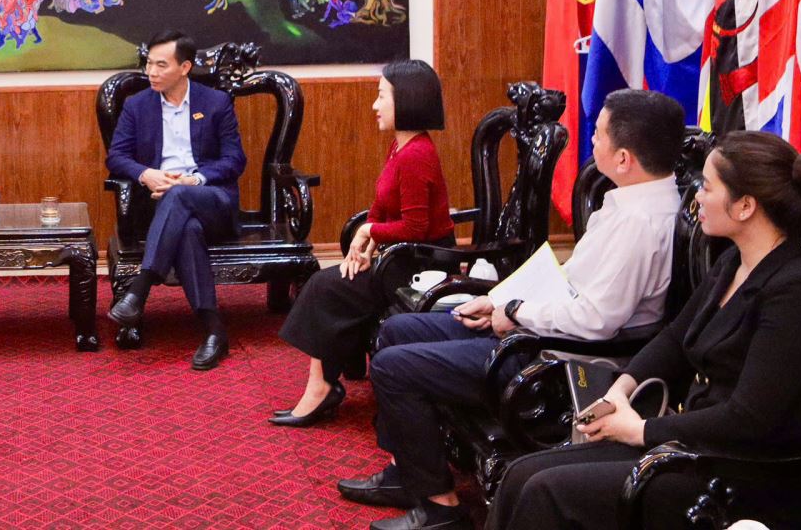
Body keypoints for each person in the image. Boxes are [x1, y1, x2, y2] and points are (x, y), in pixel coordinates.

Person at [340, 88, 688, 530]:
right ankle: (405, 473)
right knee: (398, 330)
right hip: (538, 329)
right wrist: (498, 302)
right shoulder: (632, 201)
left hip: (557, 359)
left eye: (598, 134)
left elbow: (594, 321)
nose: (591, 140)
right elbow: (569, 278)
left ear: (624, 158)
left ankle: (439, 507)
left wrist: (516, 311)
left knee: (393, 367)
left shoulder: (641, 224)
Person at [489, 131, 801, 530]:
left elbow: (749, 418)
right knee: (519, 474)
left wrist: (641, 430)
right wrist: (620, 389)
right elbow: (676, 338)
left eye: (707, 187)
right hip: (692, 445)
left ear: (745, 206)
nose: (696, 199)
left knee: (545, 490)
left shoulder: (797, 291)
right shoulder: (734, 262)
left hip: (743, 473)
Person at [272, 59, 454, 426]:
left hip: (423, 263)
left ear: (407, 99)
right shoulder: (400, 146)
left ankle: (321, 388)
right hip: (403, 255)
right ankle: (325, 382)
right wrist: (366, 242)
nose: (375, 105)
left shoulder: (417, 155)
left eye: (382, 96)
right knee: (333, 280)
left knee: (326, 286)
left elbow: (416, 227)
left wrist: (370, 232)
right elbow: (383, 205)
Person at [105, 30, 247, 371]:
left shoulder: (215, 102)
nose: (151, 72)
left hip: (213, 200)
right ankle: (214, 331)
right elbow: (116, 157)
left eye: (161, 65)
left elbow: (235, 160)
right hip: (162, 207)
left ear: (185, 67)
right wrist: (146, 174)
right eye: (149, 64)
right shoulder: (137, 105)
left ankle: (140, 288)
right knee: (188, 230)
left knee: (182, 194)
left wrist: (193, 180)